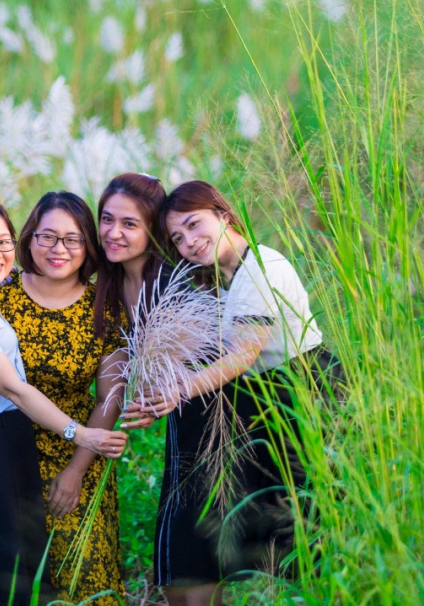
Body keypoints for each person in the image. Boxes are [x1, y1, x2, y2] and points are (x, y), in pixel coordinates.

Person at [123, 181, 340, 606]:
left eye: (194, 224)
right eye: (178, 238)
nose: (189, 242)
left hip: (306, 390)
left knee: (311, 522)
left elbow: (243, 354)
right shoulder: (219, 278)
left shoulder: (262, 266)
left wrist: (178, 391)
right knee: (277, 522)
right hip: (268, 397)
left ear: (223, 214)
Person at [0, 198, 128, 606]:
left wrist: (77, 465)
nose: (59, 248)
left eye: (73, 239)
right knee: (5, 577)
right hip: (5, 451)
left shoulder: (104, 306)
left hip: (74, 454)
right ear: (30, 238)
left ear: (89, 245)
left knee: (78, 580)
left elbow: (111, 396)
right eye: (48, 236)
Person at [93, 172, 168, 335]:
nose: (113, 233)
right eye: (107, 219)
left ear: (154, 229)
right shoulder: (111, 280)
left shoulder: (174, 285)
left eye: (129, 224)